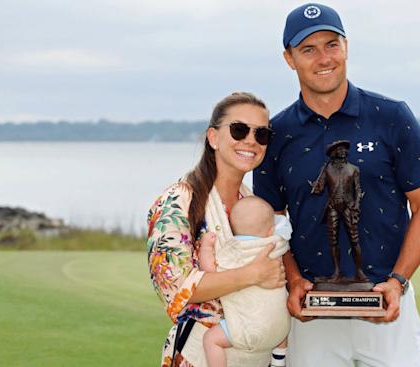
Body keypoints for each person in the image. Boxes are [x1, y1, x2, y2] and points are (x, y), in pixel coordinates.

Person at [253, 3, 420, 366]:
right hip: (312, 316)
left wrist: (398, 281)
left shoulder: (392, 116)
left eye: (332, 45)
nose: (323, 58)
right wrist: (293, 281)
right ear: (289, 58)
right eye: (308, 49)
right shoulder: (276, 135)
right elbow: (271, 223)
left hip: (387, 307)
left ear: (347, 48)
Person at [147, 92, 288, 367]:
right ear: (213, 138)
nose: (250, 140)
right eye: (238, 130)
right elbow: (176, 287)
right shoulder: (179, 202)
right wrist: (252, 274)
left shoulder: (253, 206)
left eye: (262, 134)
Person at [199, 195, 291, 367]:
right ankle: (279, 360)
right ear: (271, 231)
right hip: (280, 329)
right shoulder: (277, 246)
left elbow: (210, 273)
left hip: (249, 330)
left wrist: (206, 248)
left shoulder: (232, 251)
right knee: (277, 314)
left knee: (211, 340)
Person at [310, 140, 367, 283]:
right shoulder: (327, 169)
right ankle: (337, 272)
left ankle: (359, 272)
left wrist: (356, 204)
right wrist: (316, 187)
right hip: (333, 207)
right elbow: (321, 189)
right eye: (338, 149)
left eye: (343, 149)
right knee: (333, 241)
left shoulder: (354, 169)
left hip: (348, 207)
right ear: (334, 153)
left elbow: (358, 190)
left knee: (354, 240)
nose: (341, 151)